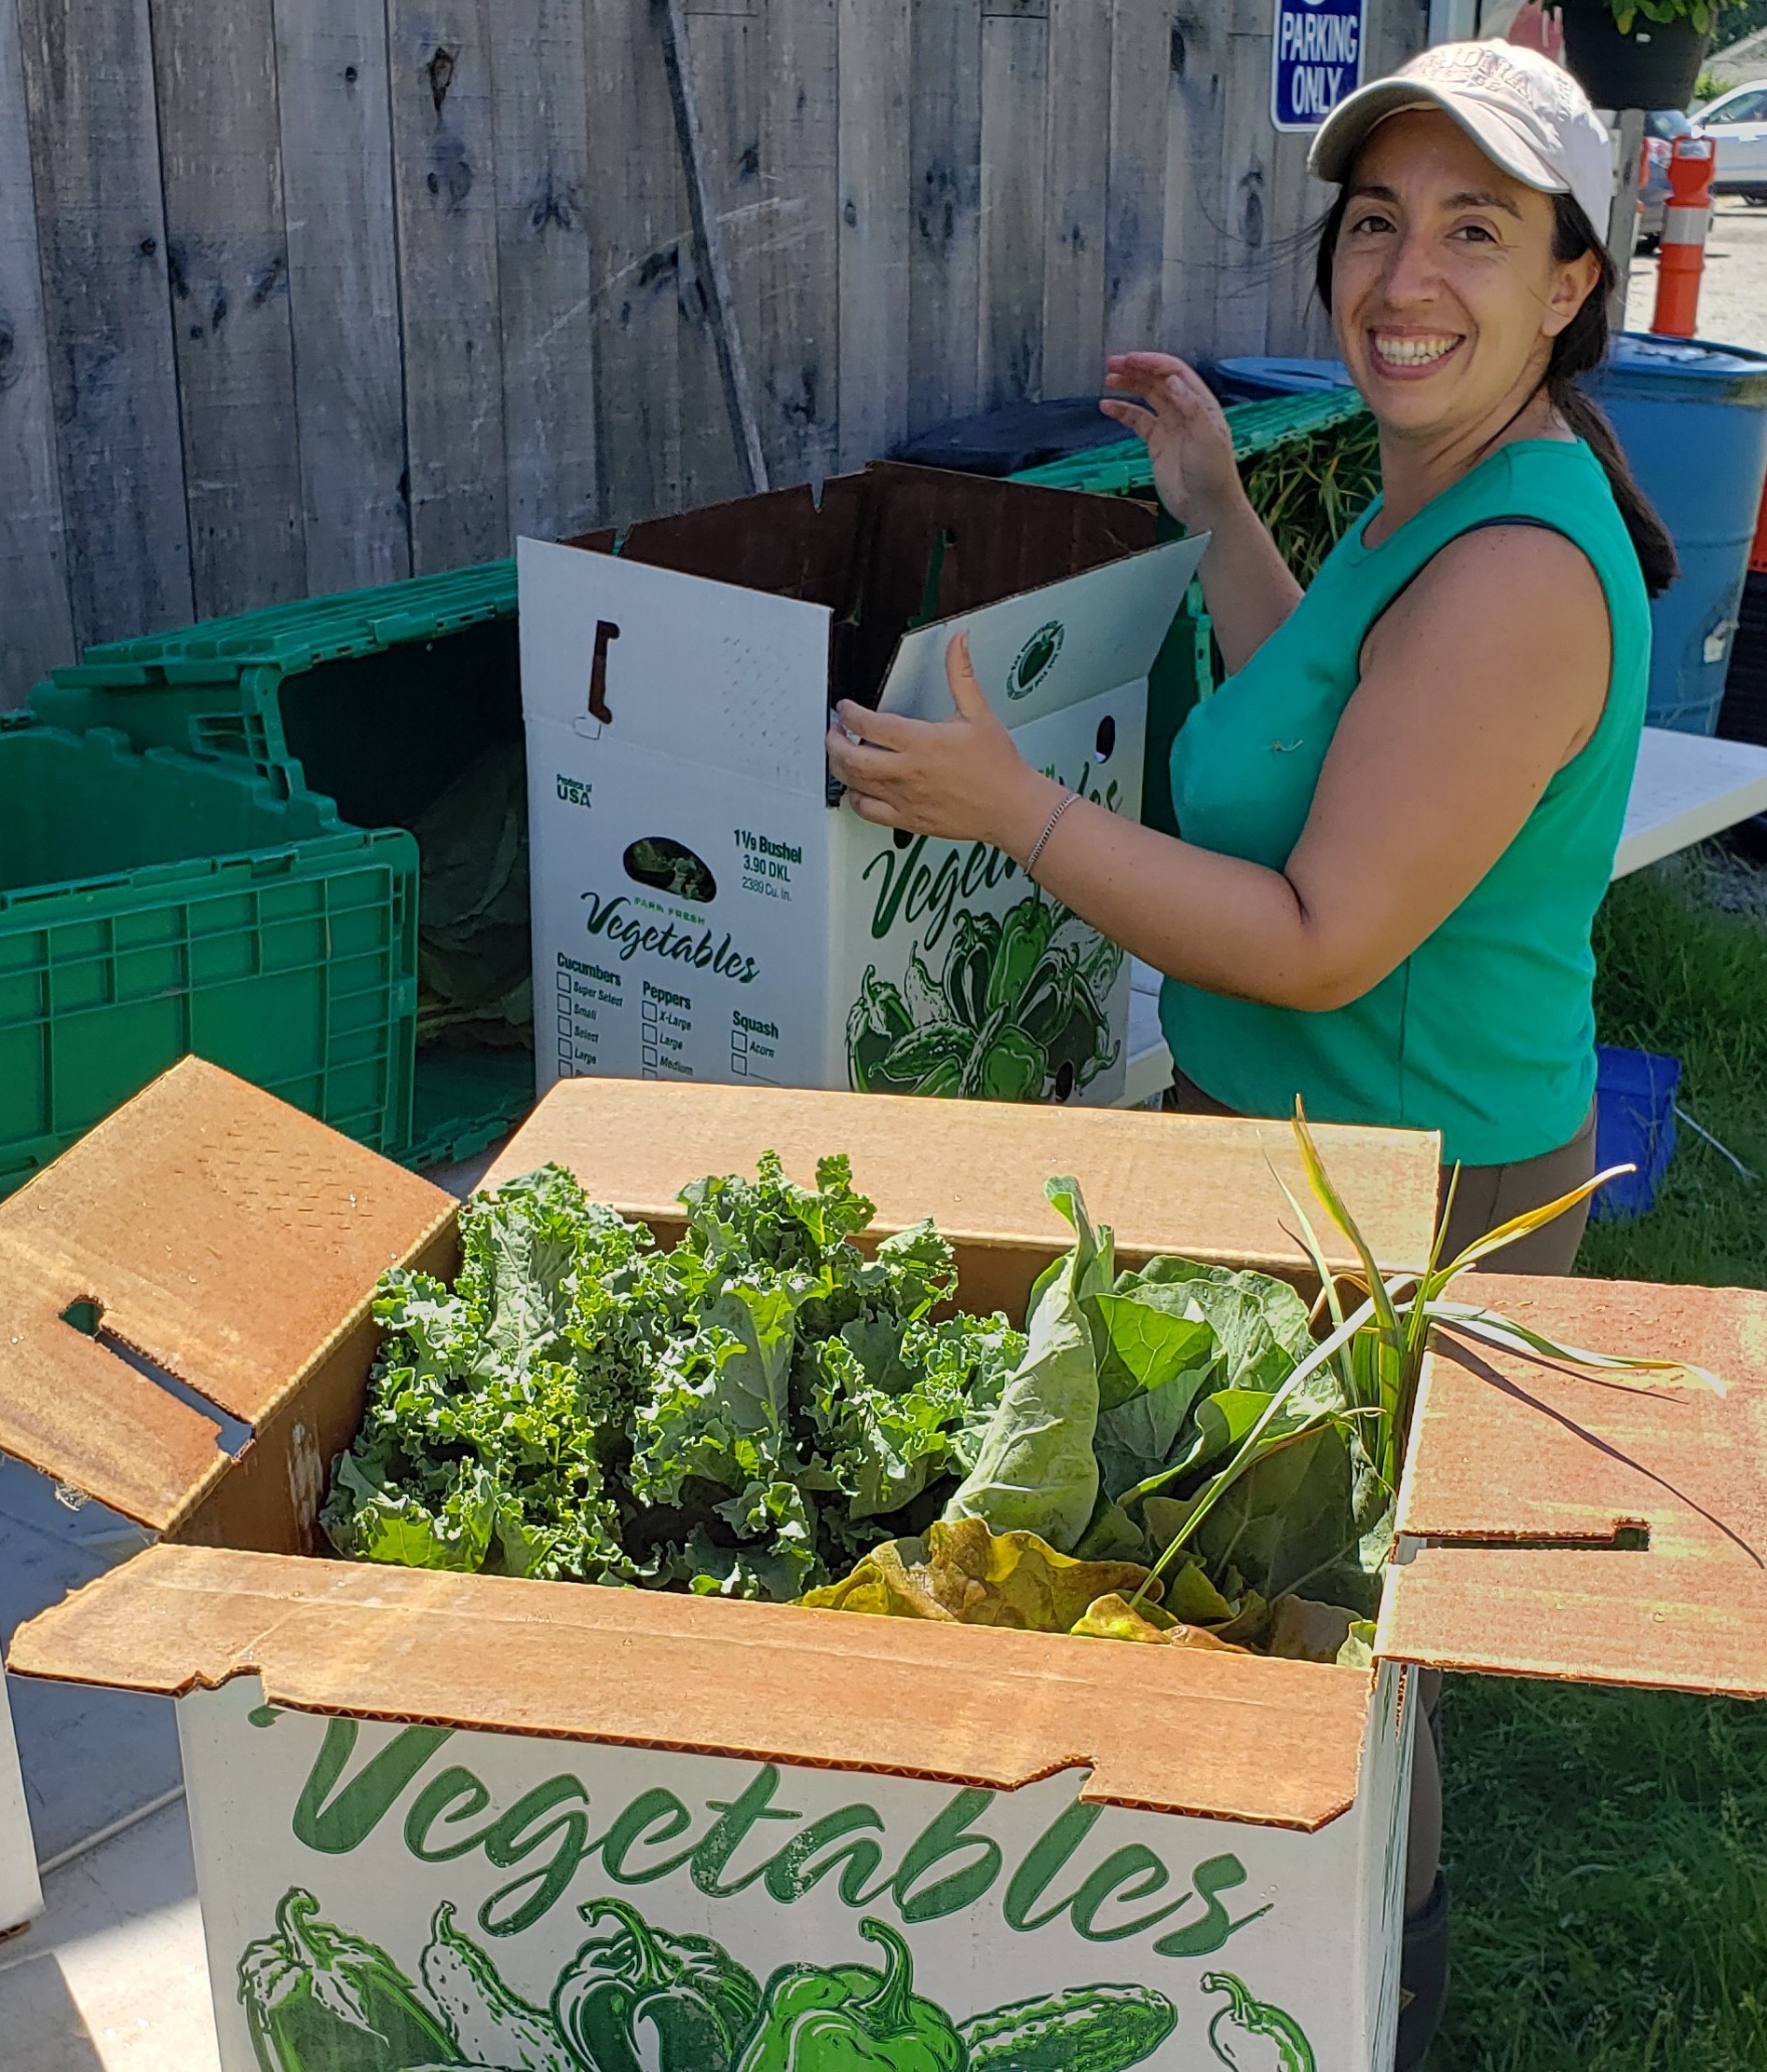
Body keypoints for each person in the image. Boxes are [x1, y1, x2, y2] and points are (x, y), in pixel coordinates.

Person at [826, 39, 1676, 2067]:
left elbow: (1318, 930)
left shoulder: (1520, 569)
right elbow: (1333, 716)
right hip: (1314, 1150)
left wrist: (1012, 806)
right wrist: (1214, 509)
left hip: (1408, 1195)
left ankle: (1368, 2008)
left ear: (1571, 283)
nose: (1403, 272)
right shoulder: (1436, 499)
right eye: (1372, 221)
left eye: (1475, 229)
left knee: (1332, 1653)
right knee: (1288, 1620)